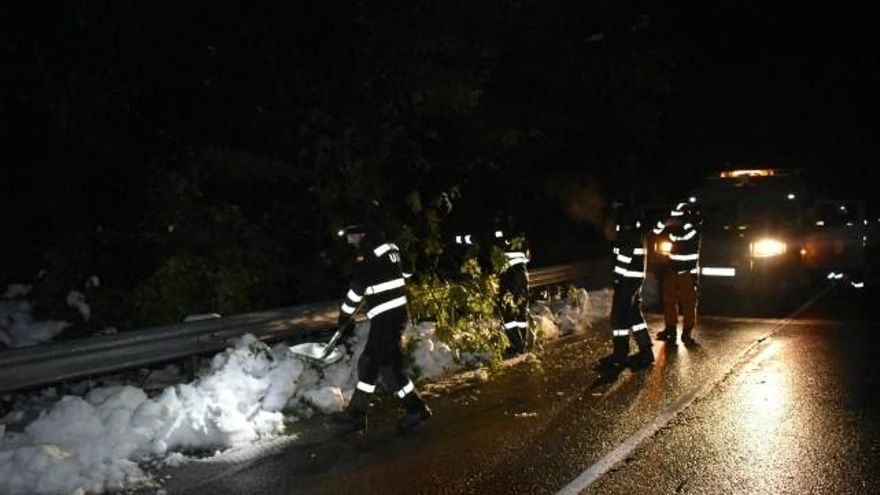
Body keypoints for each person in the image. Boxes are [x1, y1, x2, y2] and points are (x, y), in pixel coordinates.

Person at [332, 223, 432, 432]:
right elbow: (409, 271)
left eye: (351, 237)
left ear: (361, 234)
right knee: (383, 365)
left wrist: (344, 317)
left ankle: (362, 415)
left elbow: (357, 290)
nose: (350, 242)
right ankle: (362, 414)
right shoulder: (390, 248)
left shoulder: (369, 254)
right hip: (395, 316)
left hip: (386, 319)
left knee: (375, 364)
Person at [454, 227, 531, 358]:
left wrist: (457, 239)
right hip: (523, 275)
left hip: (510, 276)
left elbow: (482, 239)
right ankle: (524, 342)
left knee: (508, 311)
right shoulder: (521, 240)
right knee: (520, 309)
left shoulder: (500, 235)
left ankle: (516, 345)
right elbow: (528, 256)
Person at [601, 199, 654, 370]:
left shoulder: (628, 228)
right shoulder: (635, 228)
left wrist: (616, 275)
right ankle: (646, 352)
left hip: (627, 279)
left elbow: (625, 253)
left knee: (619, 317)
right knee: (634, 316)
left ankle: (620, 356)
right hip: (633, 278)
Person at [652, 198, 702, 345]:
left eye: (678, 216)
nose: (675, 219)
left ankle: (687, 332)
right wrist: (664, 222)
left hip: (687, 272)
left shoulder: (693, 227)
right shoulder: (675, 226)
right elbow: (655, 231)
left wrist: (673, 228)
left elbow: (682, 237)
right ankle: (670, 329)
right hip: (672, 269)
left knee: (688, 302)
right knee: (669, 301)